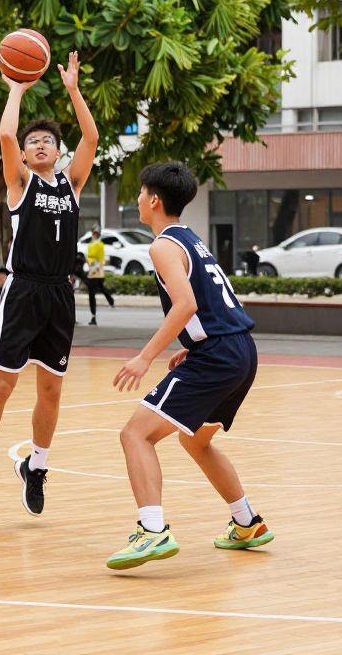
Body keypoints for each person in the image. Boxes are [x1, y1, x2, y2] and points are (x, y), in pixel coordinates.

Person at [106, 162, 272, 570]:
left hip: (218, 355)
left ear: (155, 199)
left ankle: (152, 530)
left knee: (135, 435)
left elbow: (187, 304)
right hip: (240, 349)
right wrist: (195, 343)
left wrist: (145, 357)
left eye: (141, 193)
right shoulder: (191, 239)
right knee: (195, 440)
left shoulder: (162, 246)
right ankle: (246, 521)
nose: (138, 199)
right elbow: (211, 303)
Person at [0, 51, 98, 516]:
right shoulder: (20, 185)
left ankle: (36, 468)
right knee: (2, 386)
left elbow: (92, 137)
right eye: (33, 141)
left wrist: (74, 91)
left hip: (59, 293)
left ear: (57, 152)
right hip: (22, 292)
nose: (40, 145)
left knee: (51, 391)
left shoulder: (70, 185)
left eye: (47, 141)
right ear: (23, 153)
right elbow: (4, 133)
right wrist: (17, 87)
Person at [85, 228, 115, 325]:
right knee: (100, 289)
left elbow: (93, 256)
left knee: (93, 293)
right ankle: (110, 301)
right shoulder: (97, 244)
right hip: (96, 270)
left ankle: (93, 316)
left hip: (94, 270)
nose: (95, 235)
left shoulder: (95, 244)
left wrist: (91, 262)